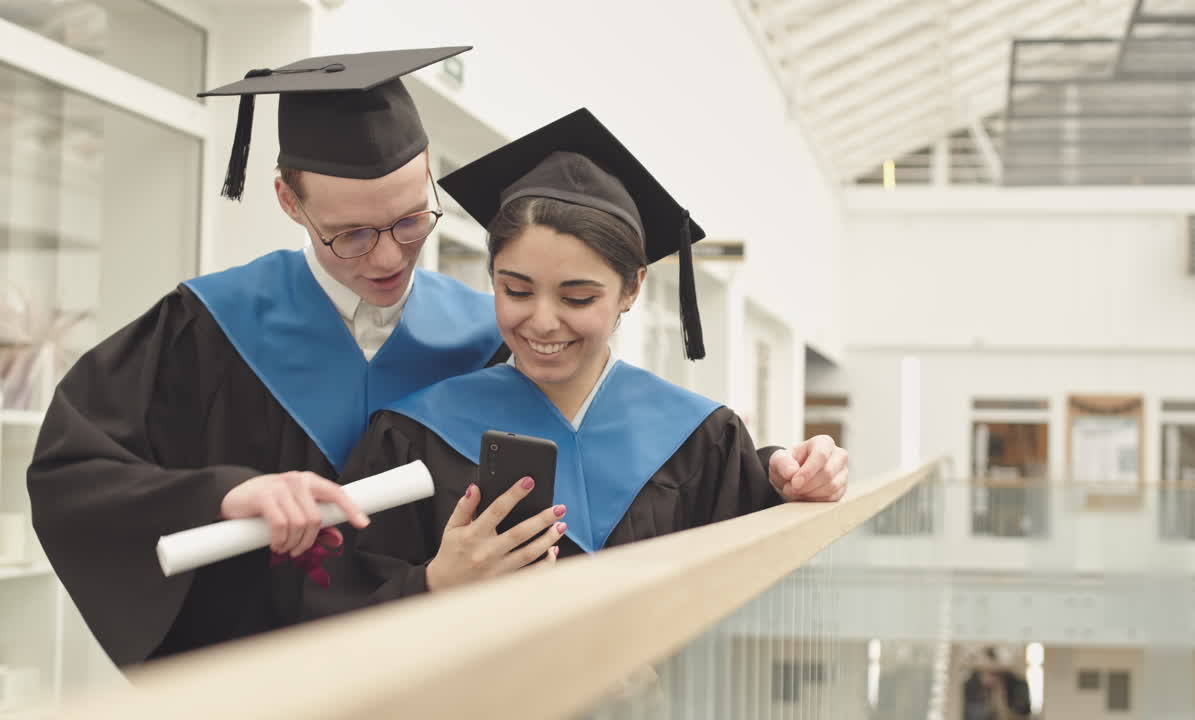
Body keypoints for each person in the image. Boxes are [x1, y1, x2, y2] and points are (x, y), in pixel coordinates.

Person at [25, 48, 508, 667]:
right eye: (351, 235)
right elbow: (73, 475)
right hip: (263, 681)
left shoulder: (488, 341)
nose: (388, 258)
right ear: (288, 200)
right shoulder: (207, 327)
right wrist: (222, 495)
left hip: (447, 674)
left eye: (412, 221)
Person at [305, 108, 848, 616]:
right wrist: (431, 584)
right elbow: (332, 602)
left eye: (577, 298)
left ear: (633, 288)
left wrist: (793, 482)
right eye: (516, 289)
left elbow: (757, 587)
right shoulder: (413, 436)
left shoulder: (699, 440)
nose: (542, 322)